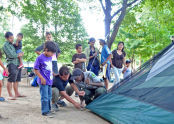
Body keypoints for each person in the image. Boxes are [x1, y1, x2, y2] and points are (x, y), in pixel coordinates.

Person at [34, 41, 57, 117]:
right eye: (52, 52)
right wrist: (41, 78)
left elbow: (50, 67)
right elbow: (36, 69)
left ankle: (49, 110)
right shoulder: (39, 58)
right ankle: (45, 111)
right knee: (44, 97)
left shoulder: (50, 57)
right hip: (43, 81)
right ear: (46, 50)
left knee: (49, 96)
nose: (53, 54)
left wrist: (52, 73)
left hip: (49, 80)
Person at [3, 32, 25, 100]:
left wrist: (20, 53)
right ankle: (10, 95)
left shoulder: (12, 44)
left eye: (12, 38)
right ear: (6, 38)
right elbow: (11, 55)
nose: (12, 39)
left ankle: (17, 93)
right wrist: (19, 54)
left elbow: (17, 51)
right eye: (10, 38)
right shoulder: (5, 45)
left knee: (17, 79)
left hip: (17, 63)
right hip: (12, 63)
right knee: (11, 79)